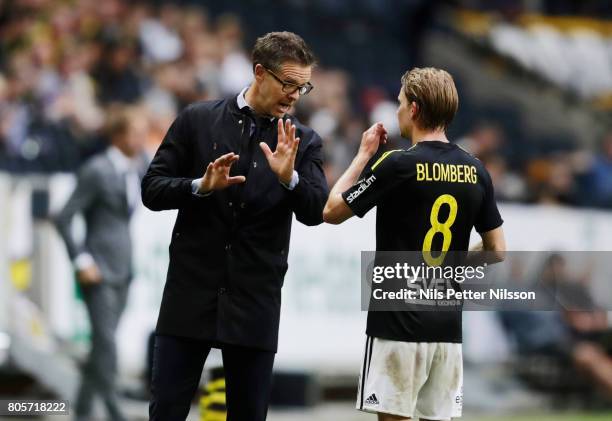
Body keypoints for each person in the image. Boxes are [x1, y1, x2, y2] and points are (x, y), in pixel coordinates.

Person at [141, 31, 328, 421]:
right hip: (190, 294)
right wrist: (198, 187)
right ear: (259, 72)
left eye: (303, 86)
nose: (295, 95)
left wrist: (289, 179)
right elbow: (152, 189)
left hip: (255, 300)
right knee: (166, 412)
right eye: (288, 84)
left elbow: (315, 210)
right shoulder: (197, 119)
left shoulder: (305, 141)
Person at [323, 67, 506, 421]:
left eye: (400, 103)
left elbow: (332, 210)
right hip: (447, 332)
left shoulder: (397, 163)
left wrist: (363, 156)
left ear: (416, 109)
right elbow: (497, 250)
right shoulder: (476, 170)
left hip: (397, 326)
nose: (397, 110)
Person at [53, 105, 149, 421]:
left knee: (100, 347)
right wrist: (81, 260)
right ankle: (113, 411)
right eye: (134, 132)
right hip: (98, 270)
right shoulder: (96, 169)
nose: (140, 139)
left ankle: (81, 411)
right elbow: (64, 216)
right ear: (118, 134)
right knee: (106, 345)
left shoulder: (137, 168)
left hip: (124, 268)